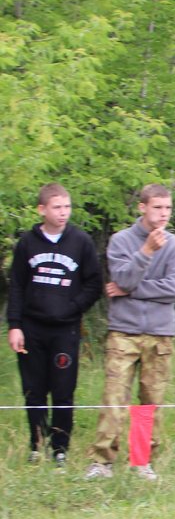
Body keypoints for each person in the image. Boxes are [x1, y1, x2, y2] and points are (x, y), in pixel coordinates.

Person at [85, 184, 175, 481]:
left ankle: (141, 460)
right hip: (124, 332)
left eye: (168, 208)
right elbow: (122, 277)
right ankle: (102, 461)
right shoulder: (121, 241)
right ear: (142, 207)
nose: (163, 214)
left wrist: (129, 291)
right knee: (114, 397)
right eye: (157, 207)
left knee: (149, 400)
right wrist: (145, 253)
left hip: (160, 334)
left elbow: (173, 290)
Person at [6, 183, 102, 468]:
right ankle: (36, 444)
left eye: (67, 207)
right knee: (34, 389)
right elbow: (18, 286)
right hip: (32, 329)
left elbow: (94, 283)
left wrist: (71, 309)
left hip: (65, 330)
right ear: (42, 210)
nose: (63, 213)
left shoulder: (80, 241)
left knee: (63, 389)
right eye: (57, 207)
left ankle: (60, 447)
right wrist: (15, 325)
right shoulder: (27, 243)